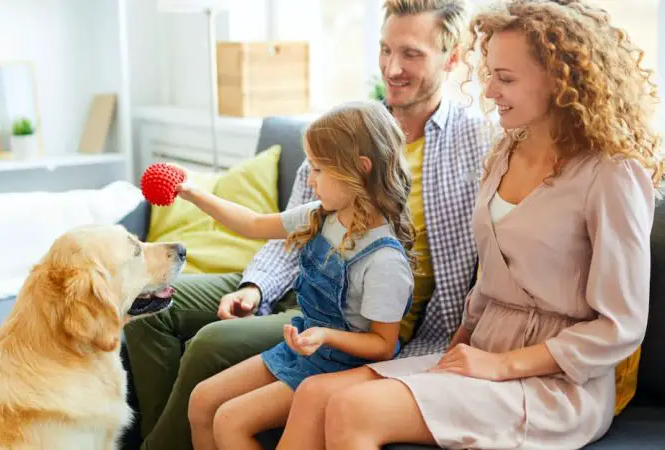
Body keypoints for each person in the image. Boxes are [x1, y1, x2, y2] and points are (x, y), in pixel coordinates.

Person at [284, 1, 665, 449]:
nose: (489, 90)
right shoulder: (504, 152)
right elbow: (490, 280)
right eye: (489, 74)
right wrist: (459, 344)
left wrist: (501, 365)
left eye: (506, 78)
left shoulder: (612, 174)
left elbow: (620, 325)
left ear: (559, 81)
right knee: (315, 393)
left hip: (556, 381)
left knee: (354, 408)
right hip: (481, 351)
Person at [124, 0, 491, 448]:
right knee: (145, 308)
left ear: (451, 59)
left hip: (353, 325)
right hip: (298, 292)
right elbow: (270, 227)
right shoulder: (344, 137)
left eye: (411, 53)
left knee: (212, 353)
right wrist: (255, 286)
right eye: (385, 50)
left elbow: (490, 262)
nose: (392, 68)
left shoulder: (476, 143)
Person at [180, 100, 415, 450]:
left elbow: (382, 346)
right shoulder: (323, 215)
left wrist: (327, 336)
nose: (309, 178)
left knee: (230, 422)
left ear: (361, 170)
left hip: (342, 366)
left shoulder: (384, 260)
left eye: (319, 169)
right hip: (307, 349)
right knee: (202, 401)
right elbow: (253, 224)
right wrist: (194, 194)